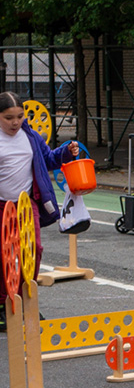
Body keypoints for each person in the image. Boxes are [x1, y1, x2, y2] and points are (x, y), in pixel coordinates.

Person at [0, 91, 78, 331]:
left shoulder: (30, 136)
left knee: (32, 250)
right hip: (1, 204)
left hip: (26, 203)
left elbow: (50, 159)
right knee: (4, 255)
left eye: (20, 117)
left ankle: (26, 300)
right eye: (9, 118)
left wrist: (66, 151)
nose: (15, 122)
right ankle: (4, 304)